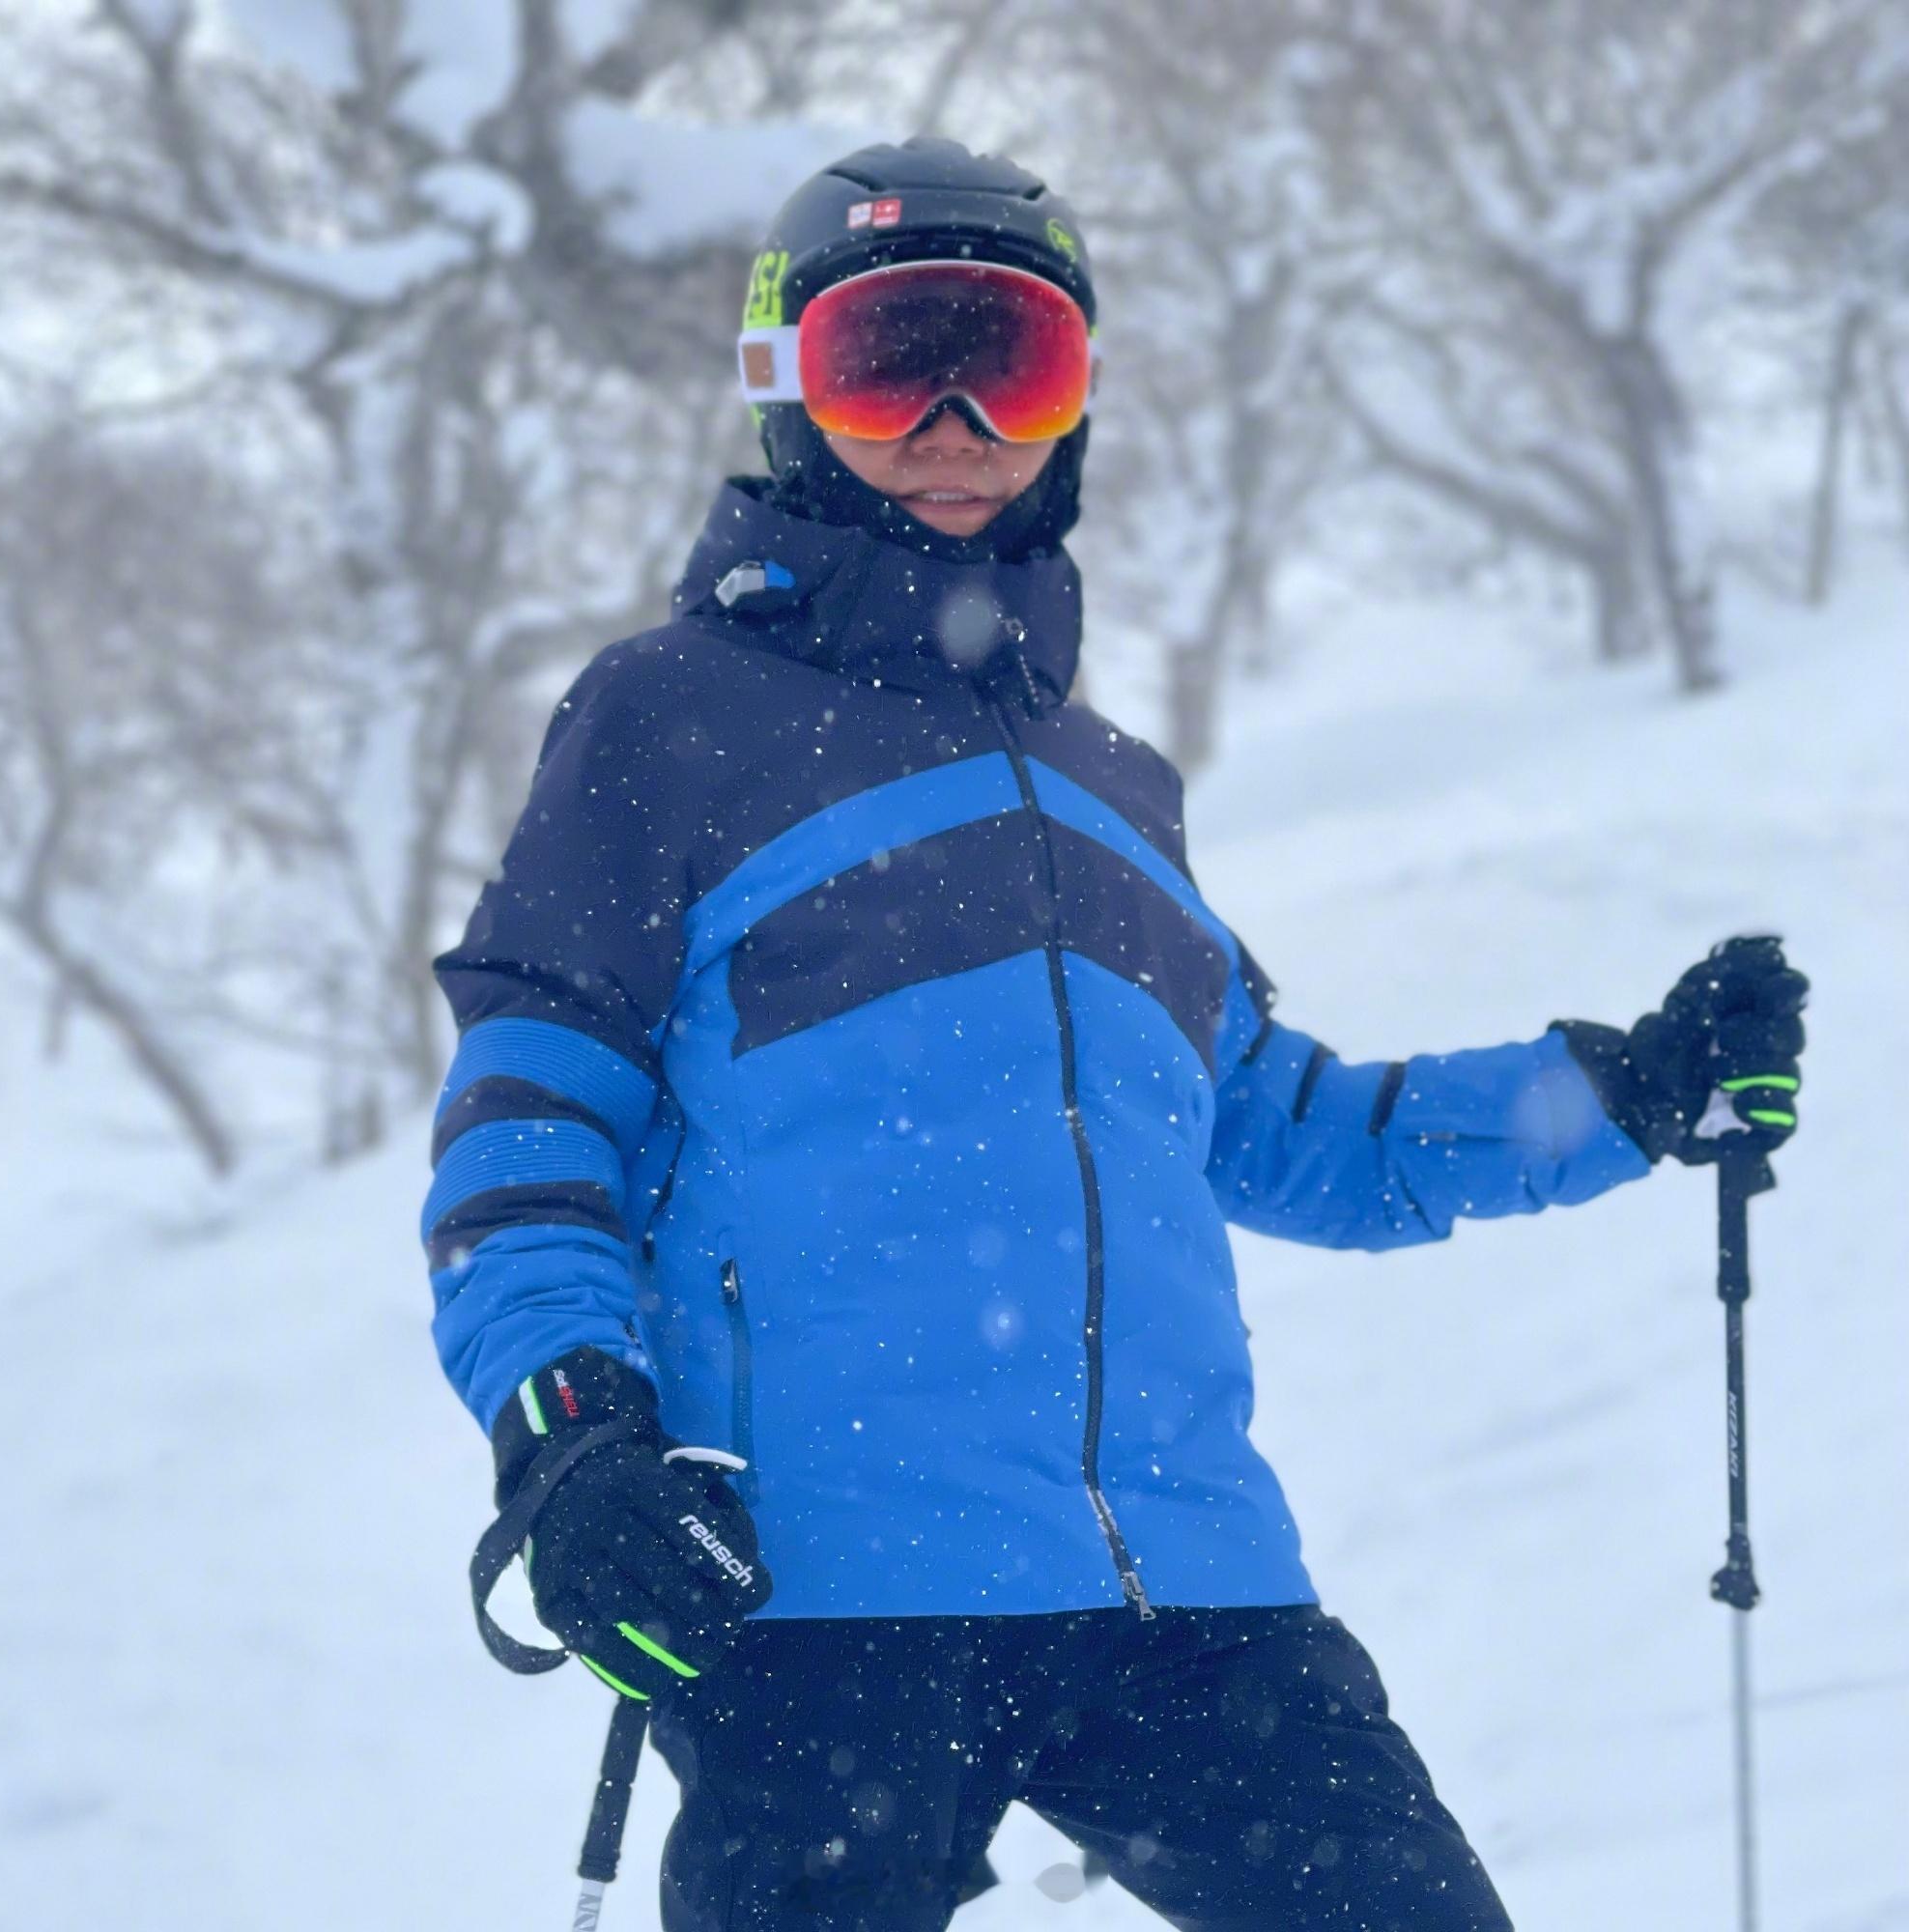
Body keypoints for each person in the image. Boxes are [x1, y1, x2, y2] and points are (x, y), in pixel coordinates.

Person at [423, 139, 1808, 1931]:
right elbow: (535, 1103)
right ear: (784, 383)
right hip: (825, 1591)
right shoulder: (671, 716)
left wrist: (1622, 1093)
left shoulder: (1111, 790)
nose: (949, 418)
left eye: (1011, 361)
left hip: (1188, 1587)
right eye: (884, 357)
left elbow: (1291, 1130)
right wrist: (570, 1430)